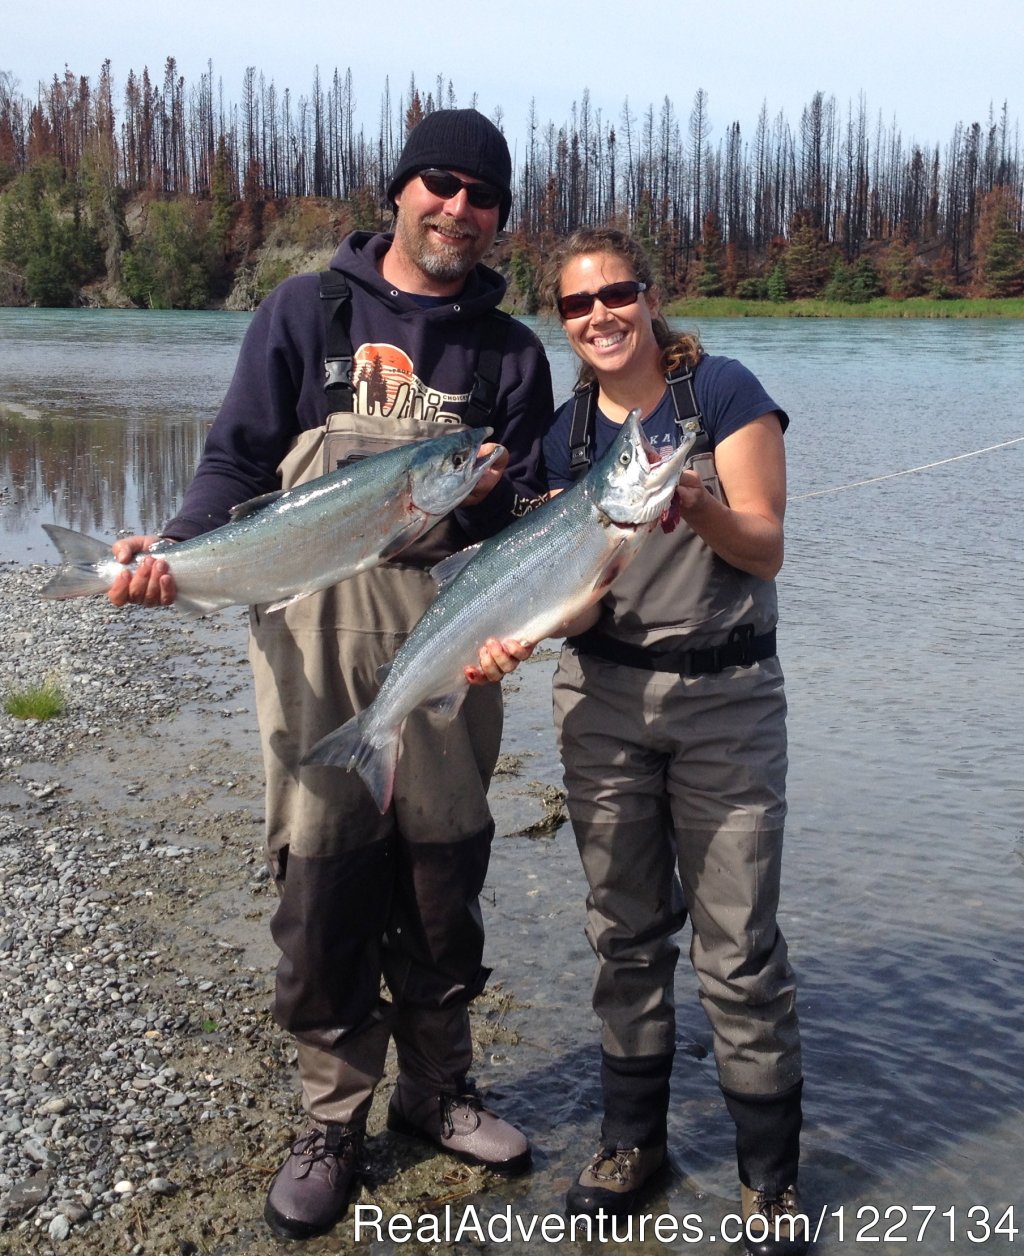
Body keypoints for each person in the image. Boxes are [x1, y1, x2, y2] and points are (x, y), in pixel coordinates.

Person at [108, 109, 553, 1242]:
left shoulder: (509, 355)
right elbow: (234, 460)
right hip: (309, 645)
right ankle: (332, 1115)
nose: (458, 207)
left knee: (443, 880)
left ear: (500, 216)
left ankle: (438, 1086)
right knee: (323, 886)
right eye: (440, 184)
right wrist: (175, 550)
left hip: (448, 647)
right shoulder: (307, 312)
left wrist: (527, 571)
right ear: (400, 190)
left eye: (482, 195)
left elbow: (515, 526)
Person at [469, 227, 807, 1254]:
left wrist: (695, 502)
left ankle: (769, 1179)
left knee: (737, 948)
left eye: (616, 294)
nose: (600, 315)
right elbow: (572, 602)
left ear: (649, 299)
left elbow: (767, 545)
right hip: (603, 704)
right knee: (622, 930)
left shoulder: (724, 396)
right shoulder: (564, 437)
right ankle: (630, 1142)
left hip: (728, 700)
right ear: (561, 323)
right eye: (577, 305)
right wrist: (511, 635)